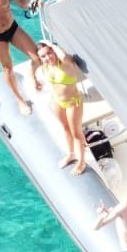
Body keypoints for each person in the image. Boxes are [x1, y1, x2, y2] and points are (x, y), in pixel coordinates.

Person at [34, 40, 89, 174]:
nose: (48, 58)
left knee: (76, 132)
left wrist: (51, 44)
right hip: (57, 101)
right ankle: (71, 154)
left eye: (49, 53)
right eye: (43, 56)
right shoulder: (45, 66)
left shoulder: (66, 63)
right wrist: (33, 79)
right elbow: (33, 64)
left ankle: (82, 162)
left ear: (54, 51)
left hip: (72, 102)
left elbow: (63, 56)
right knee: (65, 128)